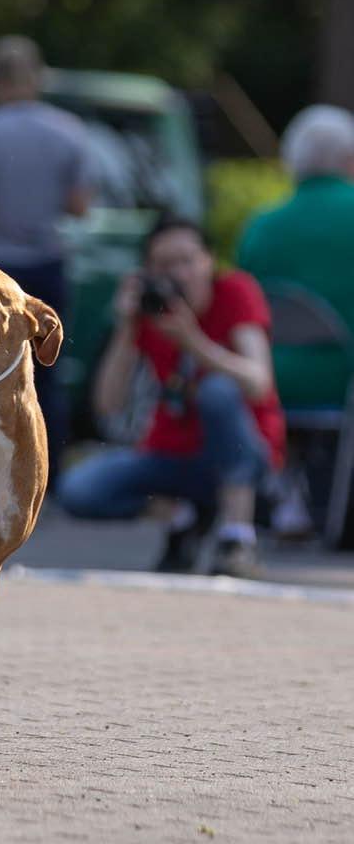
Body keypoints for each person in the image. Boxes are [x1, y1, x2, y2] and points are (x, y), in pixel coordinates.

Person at [58, 215, 285, 578]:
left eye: (188, 261)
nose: (180, 273)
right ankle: (185, 517)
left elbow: (258, 380)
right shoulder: (150, 311)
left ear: (208, 261)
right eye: (165, 265)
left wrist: (193, 343)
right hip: (173, 455)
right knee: (80, 489)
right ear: (148, 270)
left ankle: (236, 537)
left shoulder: (235, 291)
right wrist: (126, 328)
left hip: (245, 456)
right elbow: (107, 405)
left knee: (217, 391)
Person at [0, 35, 95, 486]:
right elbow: (81, 205)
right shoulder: (68, 130)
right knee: (48, 370)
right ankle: (46, 474)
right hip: (46, 261)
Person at [238, 105, 354, 537]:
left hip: (268, 377)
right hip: (341, 381)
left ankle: (287, 494)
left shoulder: (261, 226)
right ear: (350, 158)